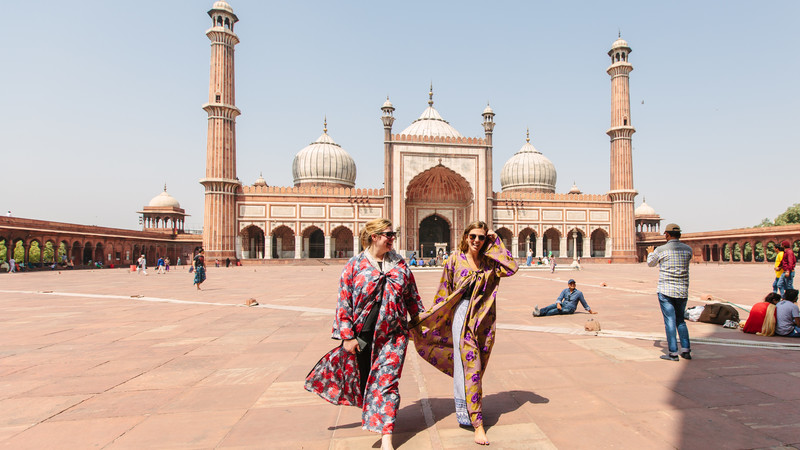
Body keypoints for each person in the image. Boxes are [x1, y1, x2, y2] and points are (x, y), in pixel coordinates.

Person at [305, 218, 423, 450]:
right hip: (363, 336)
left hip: (393, 336)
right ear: (374, 237)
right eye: (389, 235)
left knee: (388, 382)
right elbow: (344, 303)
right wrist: (347, 336)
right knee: (366, 379)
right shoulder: (355, 265)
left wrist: (420, 324)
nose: (392, 239)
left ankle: (387, 435)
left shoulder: (399, 264)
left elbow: (412, 297)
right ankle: (372, 410)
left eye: (393, 235)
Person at [411, 220, 518, 446]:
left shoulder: (491, 263)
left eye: (481, 237)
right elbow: (443, 294)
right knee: (472, 367)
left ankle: (464, 410)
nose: (477, 241)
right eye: (473, 237)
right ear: (465, 237)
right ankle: (477, 423)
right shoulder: (454, 261)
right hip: (462, 317)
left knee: (474, 366)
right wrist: (432, 320)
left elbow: (512, 267)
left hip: (484, 319)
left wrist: (495, 239)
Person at [646, 223, 693, 361]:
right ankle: (686, 350)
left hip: (666, 290)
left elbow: (651, 263)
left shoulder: (661, 250)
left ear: (666, 234)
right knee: (681, 321)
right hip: (682, 290)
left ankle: (673, 353)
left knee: (670, 321)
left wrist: (650, 253)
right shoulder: (688, 249)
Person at [533, 279, 597, 317]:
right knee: (552, 306)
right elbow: (560, 298)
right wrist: (558, 304)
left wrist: (590, 311)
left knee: (555, 311)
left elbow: (584, 303)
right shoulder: (565, 290)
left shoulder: (579, 293)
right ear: (568, 285)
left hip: (570, 308)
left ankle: (539, 314)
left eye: (573, 284)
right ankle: (539, 311)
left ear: (575, 285)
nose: (572, 285)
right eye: (571, 284)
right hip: (563, 305)